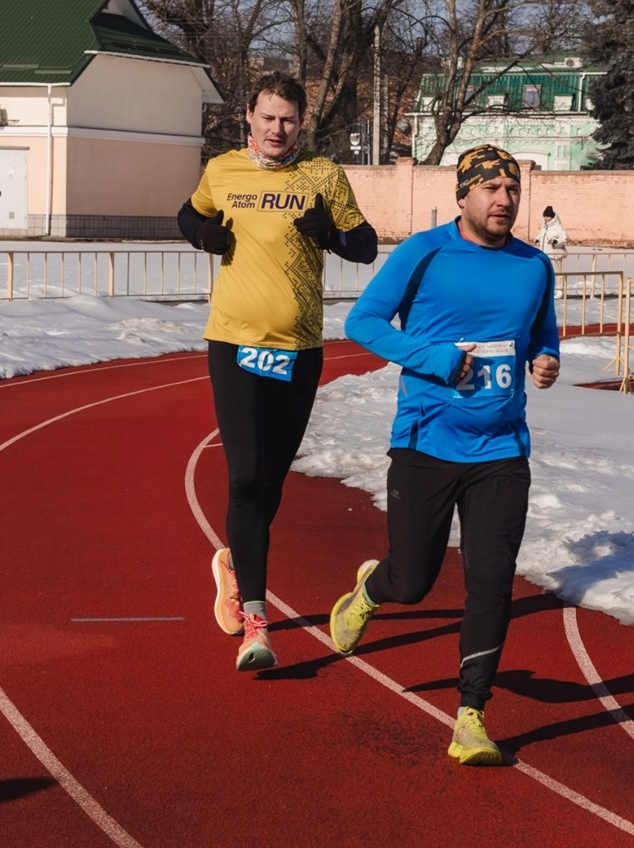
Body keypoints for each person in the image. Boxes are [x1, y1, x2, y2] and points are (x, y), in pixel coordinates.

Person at [328, 143, 560, 766]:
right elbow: (364, 322)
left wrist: (546, 359)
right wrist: (434, 360)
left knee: (492, 584)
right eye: (491, 189)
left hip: (502, 450)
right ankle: (369, 593)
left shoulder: (535, 266)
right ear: (463, 196)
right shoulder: (423, 252)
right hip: (427, 444)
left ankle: (471, 716)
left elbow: (542, 329)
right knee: (414, 579)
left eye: (512, 190)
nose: (505, 200)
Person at [177, 70, 378, 672]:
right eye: (267, 117)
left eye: (287, 119)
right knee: (243, 478)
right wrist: (203, 235)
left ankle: (234, 560)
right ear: (248, 116)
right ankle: (256, 624)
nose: (276, 128)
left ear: (301, 123)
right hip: (234, 343)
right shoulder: (222, 171)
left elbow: (366, 245)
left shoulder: (323, 174)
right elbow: (186, 216)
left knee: (272, 481)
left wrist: (333, 234)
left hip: (300, 347)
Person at [535, 205, 568, 275]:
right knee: (546, 273)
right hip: (545, 254)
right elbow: (541, 234)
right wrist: (537, 239)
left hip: (554, 255)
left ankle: (560, 286)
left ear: (552, 217)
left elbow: (565, 238)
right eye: (544, 216)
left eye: (547, 216)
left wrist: (555, 241)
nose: (545, 218)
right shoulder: (545, 226)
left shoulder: (558, 227)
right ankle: (549, 286)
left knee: (557, 274)